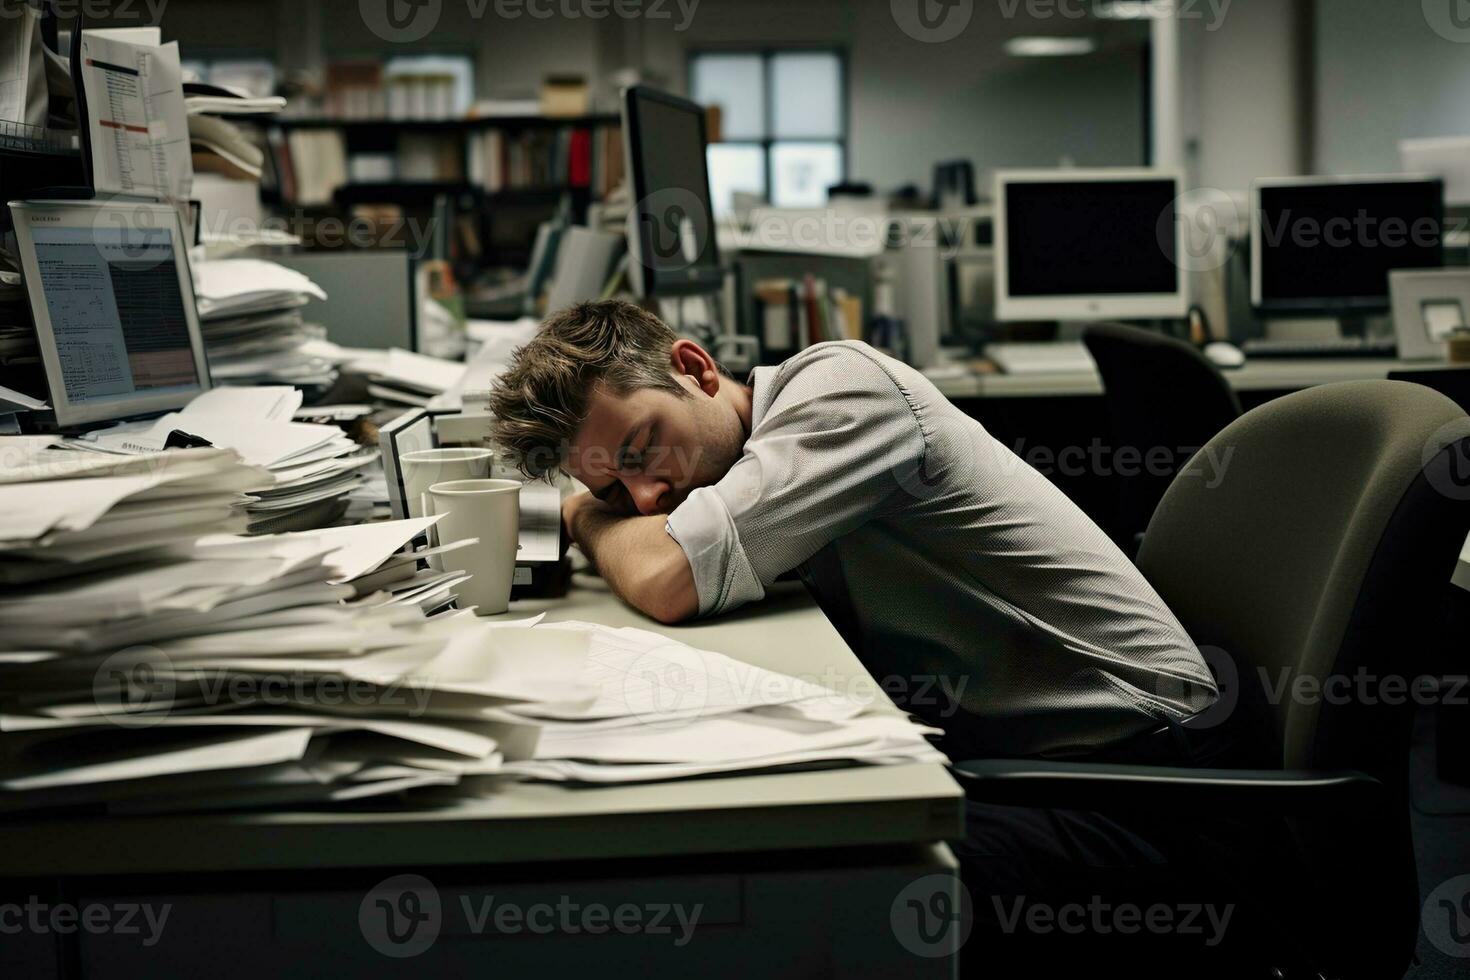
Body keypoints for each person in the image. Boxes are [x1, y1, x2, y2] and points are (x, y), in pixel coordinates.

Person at [490, 300, 1237, 966]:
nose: (649, 495)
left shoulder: (840, 394)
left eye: (642, 450)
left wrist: (586, 513)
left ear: (694, 368)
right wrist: (604, 506)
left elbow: (668, 578)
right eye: (615, 490)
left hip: (1146, 789)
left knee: (811, 885)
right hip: (1030, 758)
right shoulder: (752, 460)